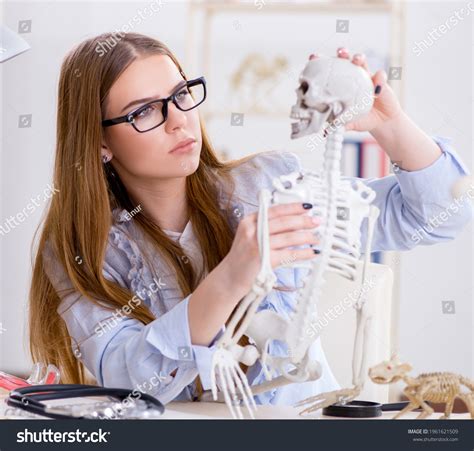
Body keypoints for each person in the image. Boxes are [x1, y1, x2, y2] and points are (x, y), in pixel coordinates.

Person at [29, 32, 471, 408]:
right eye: (144, 111)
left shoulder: (267, 186)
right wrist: (230, 278)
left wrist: (390, 125)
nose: (179, 121)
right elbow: (128, 379)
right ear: (99, 141)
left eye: (181, 95)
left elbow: (439, 217)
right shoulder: (85, 248)